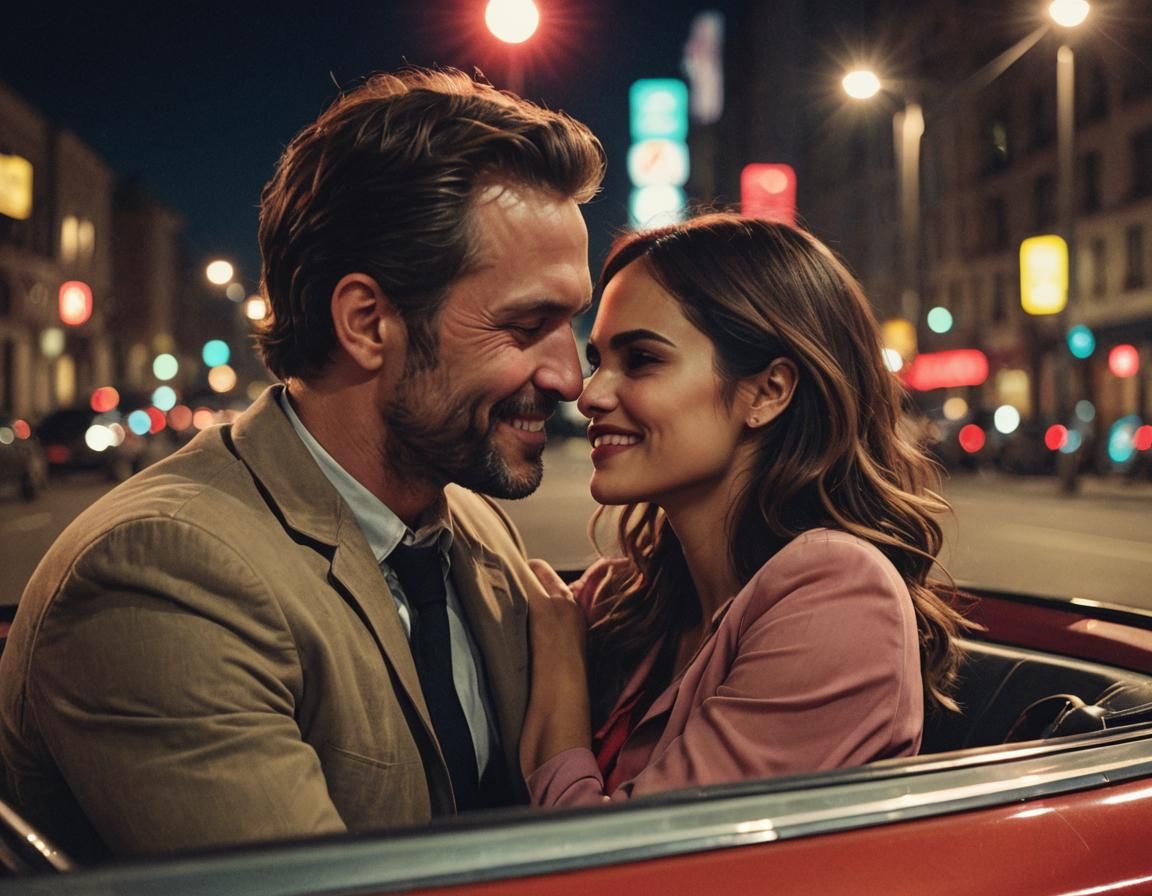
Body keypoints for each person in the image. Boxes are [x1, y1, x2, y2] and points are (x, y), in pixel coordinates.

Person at [0, 67, 605, 860]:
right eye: (528, 325)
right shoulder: (165, 573)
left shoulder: (466, 525)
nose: (570, 378)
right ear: (366, 322)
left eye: (573, 324)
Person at [520, 213, 968, 806]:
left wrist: (559, 675)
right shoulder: (625, 596)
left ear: (769, 391)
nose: (591, 394)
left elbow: (616, 877)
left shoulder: (840, 596)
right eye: (599, 359)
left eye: (643, 360)